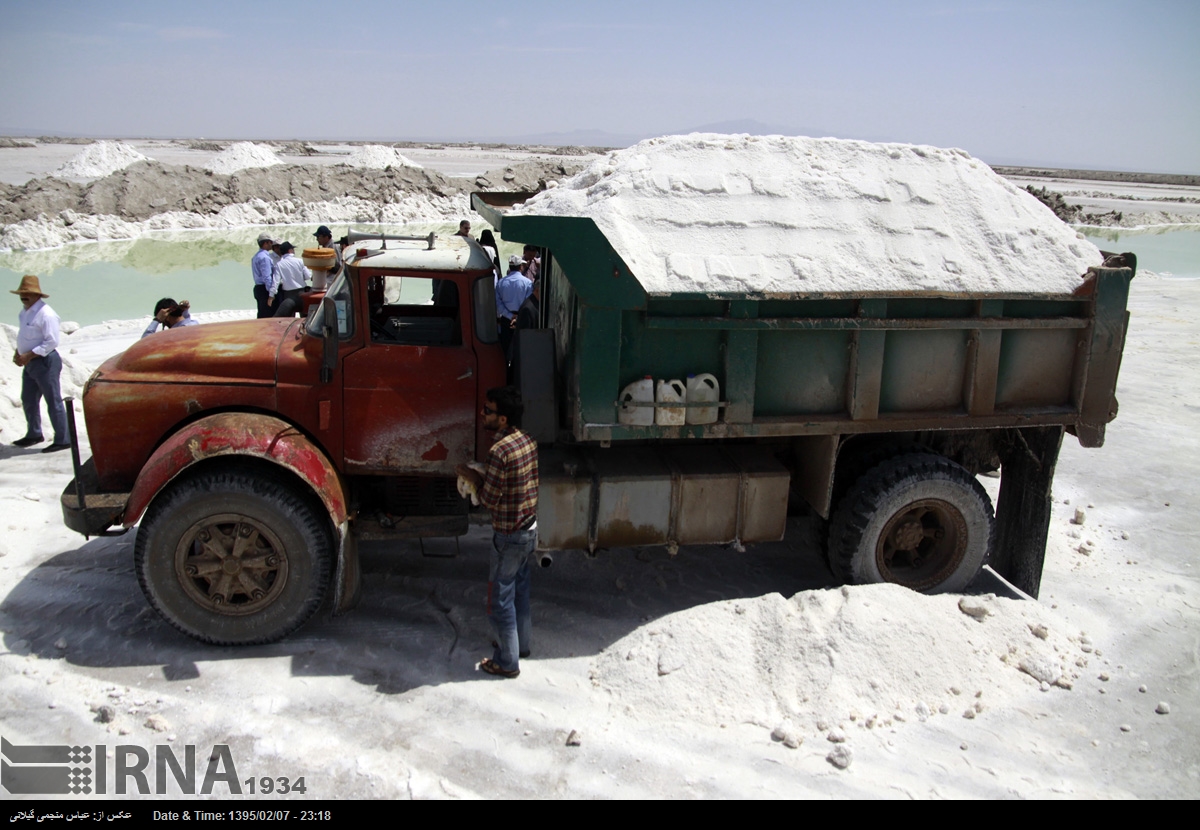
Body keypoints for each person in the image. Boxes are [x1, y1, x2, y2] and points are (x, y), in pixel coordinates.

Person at [455, 386, 539, 678]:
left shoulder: (499, 451)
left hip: (509, 536)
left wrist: (473, 479)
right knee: (521, 591)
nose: (483, 414)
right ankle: (521, 646)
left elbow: (490, 500)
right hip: (529, 530)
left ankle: (506, 661)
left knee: (500, 600)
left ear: (502, 420)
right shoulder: (527, 440)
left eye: (488, 411)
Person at [10, 275, 69, 452]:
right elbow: (25, 336)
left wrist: (28, 355)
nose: (23, 297)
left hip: (44, 361)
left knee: (53, 401)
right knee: (28, 399)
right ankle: (34, 433)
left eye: (27, 293)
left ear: (37, 295)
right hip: (30, 362)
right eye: (22, 293)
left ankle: (63, 439)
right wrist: (18, 352)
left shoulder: (47, 314)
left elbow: (51, 342)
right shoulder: (25, 312)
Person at [496, 255, 533, 357]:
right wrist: (518, 317)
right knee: (522, 349)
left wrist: (509, 315)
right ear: (520, 266)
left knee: (505, 348)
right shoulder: (528, 283)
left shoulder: (501, 283)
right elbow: (528, 302)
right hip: (522, 319)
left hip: (506, 320)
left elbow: (498, 303)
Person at [272, 242, 311, 318]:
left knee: (289, 318)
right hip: (301, 292)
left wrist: (271, 295)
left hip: (288, 294)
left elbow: (275, 282)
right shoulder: (300, 261)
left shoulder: (279, 264)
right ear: (290, 250)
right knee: (304, 318)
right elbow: (308, 276)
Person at [251, 232, 277, 318]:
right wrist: (271, 294)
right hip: (264, 289)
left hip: (259, 288)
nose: (272, 245)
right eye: (270, 242)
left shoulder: (256, 256)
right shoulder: (264, 258)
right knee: (267, 315)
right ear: (265, 243)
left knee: (261, 313)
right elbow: (267, 276)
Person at [312, 224, 342, 291]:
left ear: (326, 237)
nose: (317, 239)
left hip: (332, 281)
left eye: (318, 237)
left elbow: (338, 267)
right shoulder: (326, 247)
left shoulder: (334, 247)